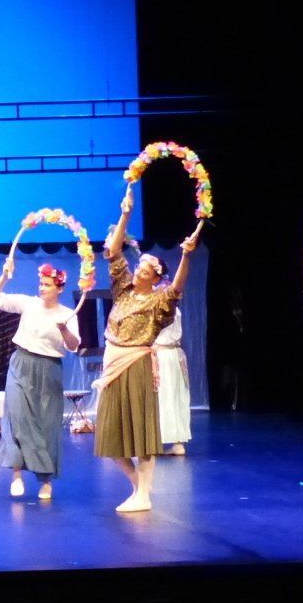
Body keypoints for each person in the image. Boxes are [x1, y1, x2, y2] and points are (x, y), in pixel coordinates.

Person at [92, 190, 198, 513]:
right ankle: (141, 487)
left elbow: (177, 289)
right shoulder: (122, 290)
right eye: (140, 265)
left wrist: (187, 256)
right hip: (113, 365)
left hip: (137, 364)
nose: (140, 269)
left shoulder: (158, 302)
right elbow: (112, 251)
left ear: (156, 277)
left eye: (147, 268)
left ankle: (144, 494)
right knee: (110, 437)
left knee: (141, 433)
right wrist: (125, 214)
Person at [0, 258, 81, 501]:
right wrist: (5, 275)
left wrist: (64, 330)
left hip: (49, 369)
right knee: (17, 417)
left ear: (59, 288)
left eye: (47, 284)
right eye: (41, 283)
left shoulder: (68, 314)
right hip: (21, 363)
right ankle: (16, 475)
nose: (42, 288)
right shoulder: (29, 304)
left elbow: (74, 346)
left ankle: (45, 481)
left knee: (45, 424)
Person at [154, 296, 192, 456]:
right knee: (176, 397)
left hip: (163, 355)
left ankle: (156, 442)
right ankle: (178, 443)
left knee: (163, 396)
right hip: (173, 354)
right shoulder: (175, 310)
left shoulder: (164, 310)